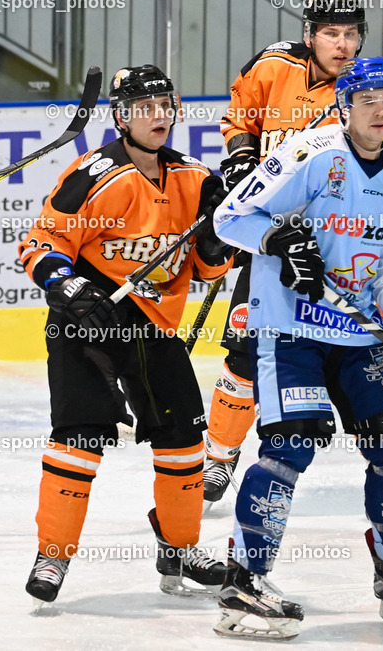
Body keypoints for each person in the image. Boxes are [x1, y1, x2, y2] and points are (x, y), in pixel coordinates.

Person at [210, 57, 383, 639]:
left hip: (357, 335)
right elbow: (229, 215)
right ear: (344, 106)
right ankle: (245, 581)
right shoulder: (308, 154)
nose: (379, 110)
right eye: (367, 100)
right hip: (289, 328)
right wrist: (276, 237)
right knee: (289, 446)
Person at [18, 65, 234, 606]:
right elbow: (39, 245)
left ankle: (179, 546)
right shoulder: (92, 175)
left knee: (184, 441)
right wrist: (66, 287)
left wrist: (213, 246)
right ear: (122, 115)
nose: (158, 115)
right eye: (144, 107)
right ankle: (54, 552)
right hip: (86, 321)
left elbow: (209, 271)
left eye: (165, 105)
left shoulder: (198, 180)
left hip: (154, 327)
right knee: (81, 436)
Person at [203, 0, 367, 503]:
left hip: (324, 242)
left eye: (352, 35)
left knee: (328, 353)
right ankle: (218, 455)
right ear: (309, 35)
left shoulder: (363, 91)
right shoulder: (271, 66)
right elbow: (240, 119)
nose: (343, 46)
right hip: (267, 237)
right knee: (245, 350)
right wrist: (238, 160)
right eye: (332, 34)